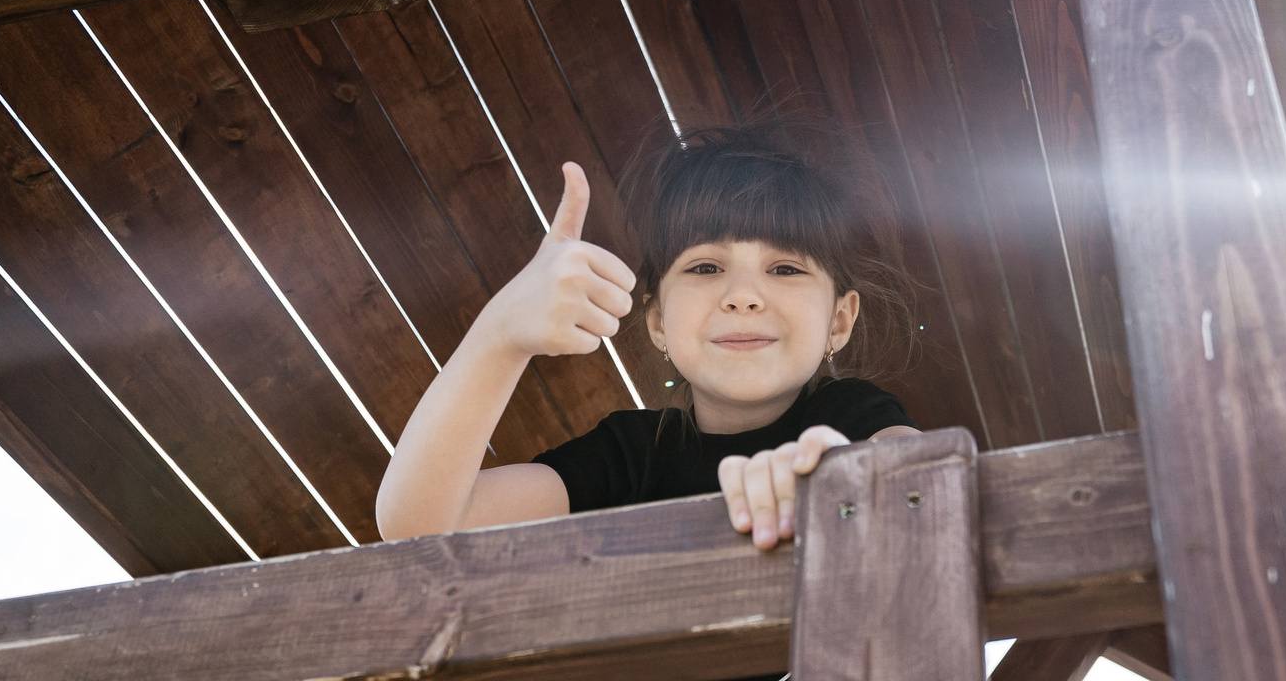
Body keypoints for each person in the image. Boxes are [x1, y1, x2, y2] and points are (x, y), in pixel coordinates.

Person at [374, 126, 920, 550]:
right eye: (706, 268)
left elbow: (918, 479)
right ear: (657, 321)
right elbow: (424, 526)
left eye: (786, 270)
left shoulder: (852, 413)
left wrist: (847, 470)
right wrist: (500, 335)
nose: (744, 296)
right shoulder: (630, 456)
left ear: (840, 322)